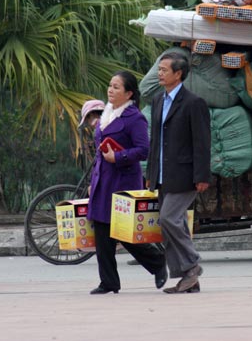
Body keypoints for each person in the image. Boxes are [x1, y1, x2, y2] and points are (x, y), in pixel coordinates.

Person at [87, 72, 167, 295]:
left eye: (116, 87)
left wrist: (119, 158)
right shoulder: (106, 115)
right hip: (103, 179)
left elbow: (144, 150)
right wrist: (94, 179)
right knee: (102, 233)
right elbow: (99, 151)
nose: (110, 90)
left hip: (123, 180)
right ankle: (109, 281)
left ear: (129, 93)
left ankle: (158, 263)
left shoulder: (134, 118)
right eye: (110, 86)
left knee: (124, 232)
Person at [146, 52, 211, 294]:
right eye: (159, 69)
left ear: (178, 74)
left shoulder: (194, 103)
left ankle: (192, 265)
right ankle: (188, 278)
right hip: (163, 174)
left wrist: (202, 175)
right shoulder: (157, 100)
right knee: (173, 224)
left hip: (185, 174)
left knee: (168, 219)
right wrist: (151, 173)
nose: (159, 73)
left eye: (164, 70)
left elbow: (202, 142)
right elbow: (156, 140)